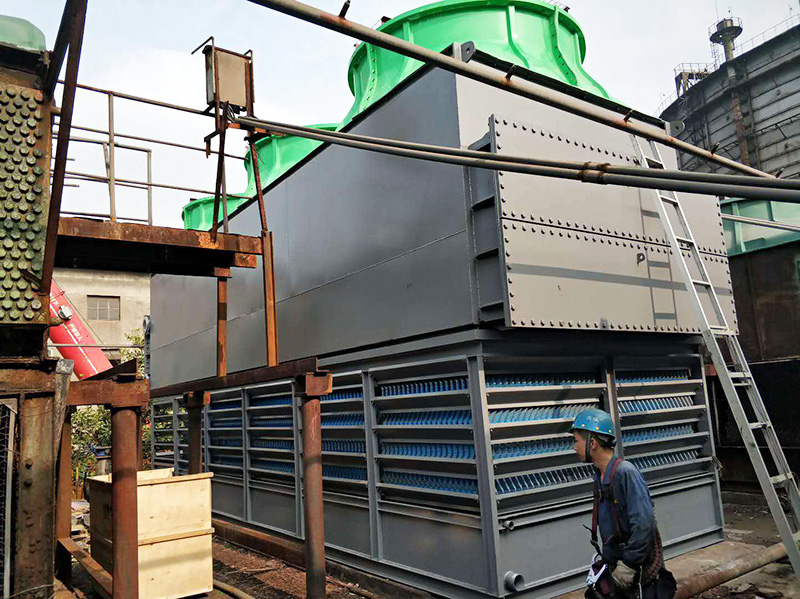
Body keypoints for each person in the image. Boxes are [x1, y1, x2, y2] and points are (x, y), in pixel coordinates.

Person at [571, 408, 676, 599]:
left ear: (592, 443)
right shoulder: (600, 475)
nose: (574, 447)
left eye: (576, 441)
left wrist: (628, 566)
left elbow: (644, 525)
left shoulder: (626, 473)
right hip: (615, 564)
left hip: (637, 572)